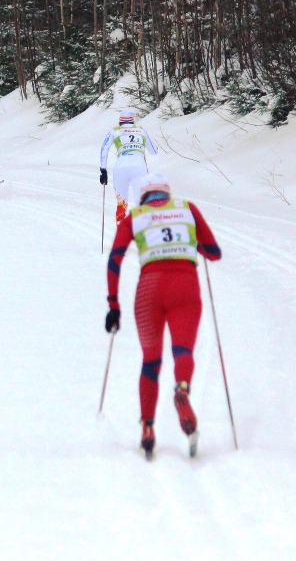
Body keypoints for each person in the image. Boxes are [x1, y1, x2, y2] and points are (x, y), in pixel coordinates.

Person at [104, 172, 222, 458]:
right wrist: (198, 246)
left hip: (149, 291)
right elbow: (214, 252)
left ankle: (147, 427)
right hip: (186, 287)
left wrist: (113, 304)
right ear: (167, 195)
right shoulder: (187, 209)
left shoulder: (136, 216)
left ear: (144, 197)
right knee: (183, 351)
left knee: (151, 361)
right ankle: (182, 390)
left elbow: (115, 258)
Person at [99, 107, 160, 224]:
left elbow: (104, 148)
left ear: (120, 121)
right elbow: (154, 151)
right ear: (133, 120)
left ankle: (121, 235)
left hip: (120, 168)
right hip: (139, 168)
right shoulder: (141, 130)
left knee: (121, 203)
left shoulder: (114, 130)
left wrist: (103, 169)